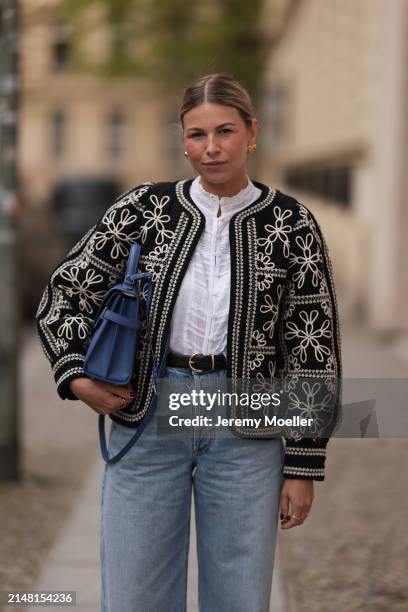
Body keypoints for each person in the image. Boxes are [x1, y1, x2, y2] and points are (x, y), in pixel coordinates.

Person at [36, 73, 341, 612]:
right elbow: (66, 293)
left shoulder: (292, 223)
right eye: (197, 134)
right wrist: (76, 374)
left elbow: (311, 347)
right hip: (151, 413)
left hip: (249, 423)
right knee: (134, 596)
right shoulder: (142, 211)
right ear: (182, 138)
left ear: (252, 132)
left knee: (240, 597)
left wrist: (303, 464)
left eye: (225, 131)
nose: (212, 147)